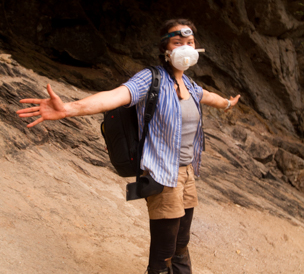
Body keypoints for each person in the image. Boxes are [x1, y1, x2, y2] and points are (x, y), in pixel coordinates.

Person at [17, 19, 240, 274]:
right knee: (164, 252)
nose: (186, 48)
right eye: (177, 42)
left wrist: (228, 104)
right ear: (165, 49)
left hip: (187, 173)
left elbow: (208, 97)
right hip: (163, 175)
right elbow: (115, 96)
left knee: (181, 243)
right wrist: (69, 108)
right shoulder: (150, 79)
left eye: (190, 43)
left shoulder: (189, 85)